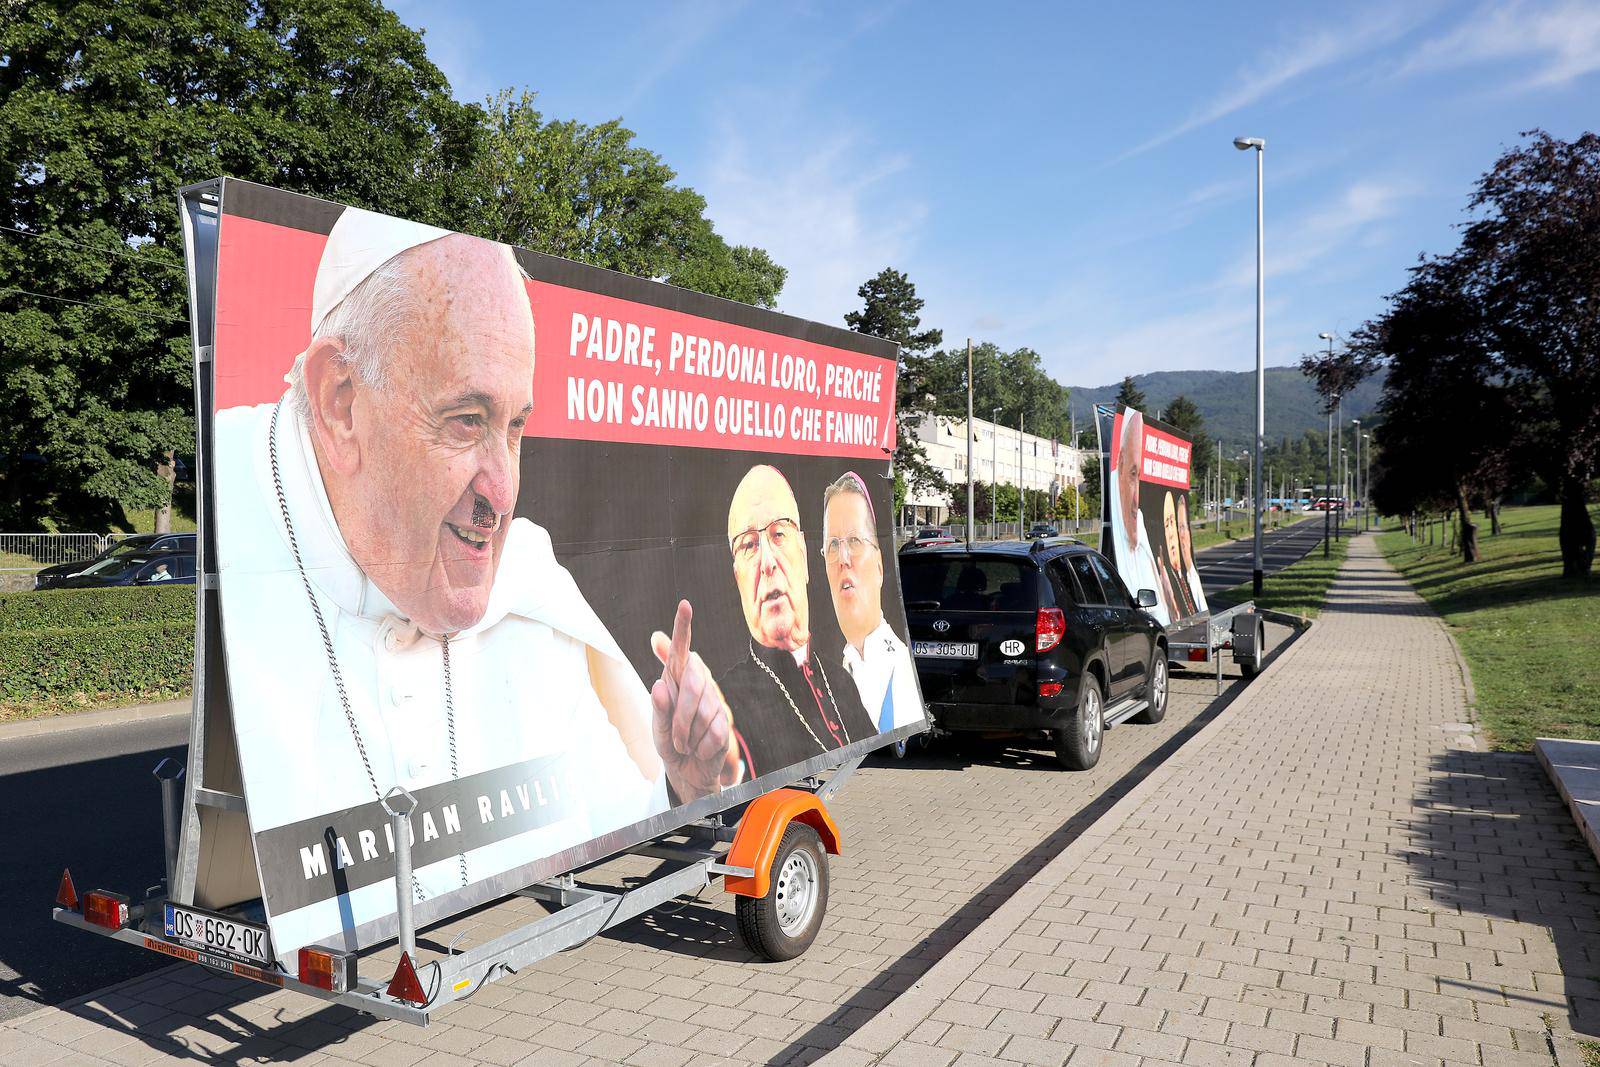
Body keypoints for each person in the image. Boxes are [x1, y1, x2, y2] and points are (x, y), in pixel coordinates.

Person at [212, 208, 737, 942]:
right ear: (340, 402)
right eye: (465, 420)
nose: (503, 489)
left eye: (515, 427)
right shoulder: (232, 501)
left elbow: (608, 813)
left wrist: (681, 781)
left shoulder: (526, 580)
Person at [708, 464, 876, 779]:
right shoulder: (722, 707)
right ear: (738, 580)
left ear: (804, 557)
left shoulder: (840, 681)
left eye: (779, 533)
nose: (767, 563)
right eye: (748, 545)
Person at [820, 472, 922, 733]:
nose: (843, 558)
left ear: (879, 565)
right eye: (832, 545)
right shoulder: (828, 675)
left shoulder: (901, 672)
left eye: (854, 541)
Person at [1110, 410, 1172, 622]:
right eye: (1132, 475)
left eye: (1140, 479)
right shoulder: (1118, 534)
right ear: (1119, 466)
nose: (1137, 499)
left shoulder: (1141, 525)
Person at [1159, 492, 1196, 620]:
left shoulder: (1191, 576)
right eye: (1166, 525)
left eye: (1172, 523)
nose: (1171, 534)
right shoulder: (1166, 581)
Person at [1175, 494, 1207, 614]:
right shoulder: (1176, 578)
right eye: (1178, 528)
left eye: (1183, 527)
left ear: (1189, 532)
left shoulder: (1194, 578)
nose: (1181, 534)